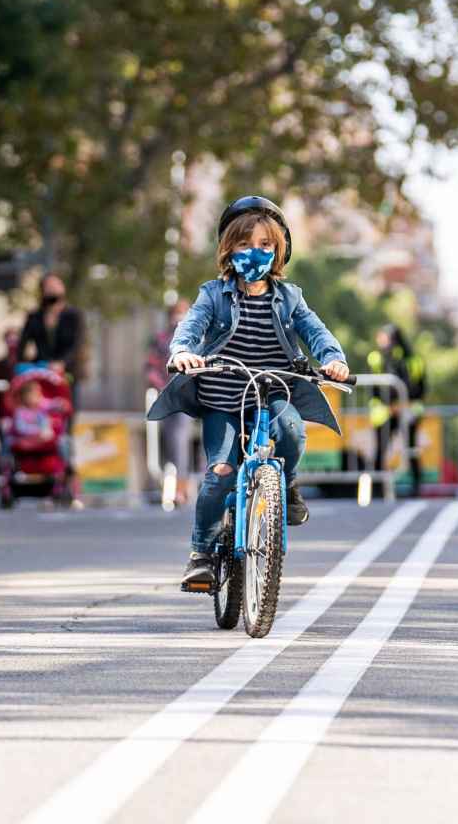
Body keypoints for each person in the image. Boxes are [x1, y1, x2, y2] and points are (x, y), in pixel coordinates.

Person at [147, 196, 351, 588]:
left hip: (273, 392)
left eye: (264, 245)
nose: (253, 253)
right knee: (220, 471)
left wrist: (333, 359)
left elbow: (317, 333)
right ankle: (201, 554)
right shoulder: (213, 294)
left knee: (291, 431)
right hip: (222, 399)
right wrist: (183, 352)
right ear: (227, 249)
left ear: (278, 251)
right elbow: (191, 327)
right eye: (243, 244)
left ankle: (286, 484)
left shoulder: (290, 297)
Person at [367, 324, 429, 496]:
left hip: (409, 410)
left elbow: (421, 388)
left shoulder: (413, 360)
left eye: (384, 337)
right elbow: (374, 387)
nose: (380, 341)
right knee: (380, 449)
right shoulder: (376, 358)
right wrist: (390, 405)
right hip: (384, 412)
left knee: (411, 448)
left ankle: (416, 487)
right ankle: (378, 489)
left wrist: (403, 404)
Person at [147, 299, 195, 505]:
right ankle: (175, 485)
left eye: (183, 312)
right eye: (176, 313)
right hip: (168, 395)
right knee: (171, 442)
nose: (179, 317)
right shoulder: (162, 339)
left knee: (181, 441)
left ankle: (182, 488)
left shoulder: (196, 336)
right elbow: (150, 366)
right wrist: (159, 385)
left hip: (189, 395)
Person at [18, 274, 85, 394]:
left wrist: (62, 363)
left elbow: (77, 344)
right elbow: (23, 344)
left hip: (67, 373)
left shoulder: (74, 315)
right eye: (49, 286)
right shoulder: (34, 317)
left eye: (56, 285)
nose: (53, 289)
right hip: (41, 372)